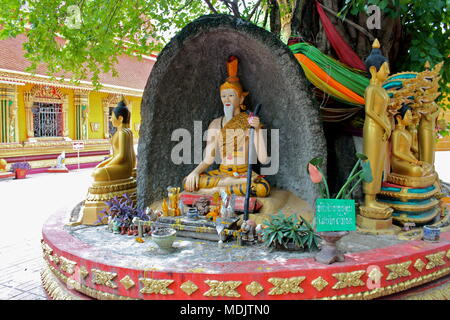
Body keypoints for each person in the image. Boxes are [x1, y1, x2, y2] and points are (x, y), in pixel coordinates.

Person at [183, 56, 270, 197]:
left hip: (243, 174)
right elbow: (208, 159)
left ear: (241, 98)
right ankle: (222, 190)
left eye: (231, 95)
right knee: (188, 181)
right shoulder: (216, 124)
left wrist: (258, 130)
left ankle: (214, 192)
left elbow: (263, 159)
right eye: (223, 96)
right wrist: (195, 172)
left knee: (261, 188)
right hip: (222, 174)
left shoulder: (250, 121)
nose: (227, 100)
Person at [92, 100, 136, 181]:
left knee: (98, 174)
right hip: (124, 166)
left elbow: (122, 156)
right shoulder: (126, 132)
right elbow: (115, 156)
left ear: (120, 118)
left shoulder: (123, 132)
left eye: (111, 117)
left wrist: (106, 166)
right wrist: (101, 165)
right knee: (96, 170)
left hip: (124, 167)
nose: (110, 120)